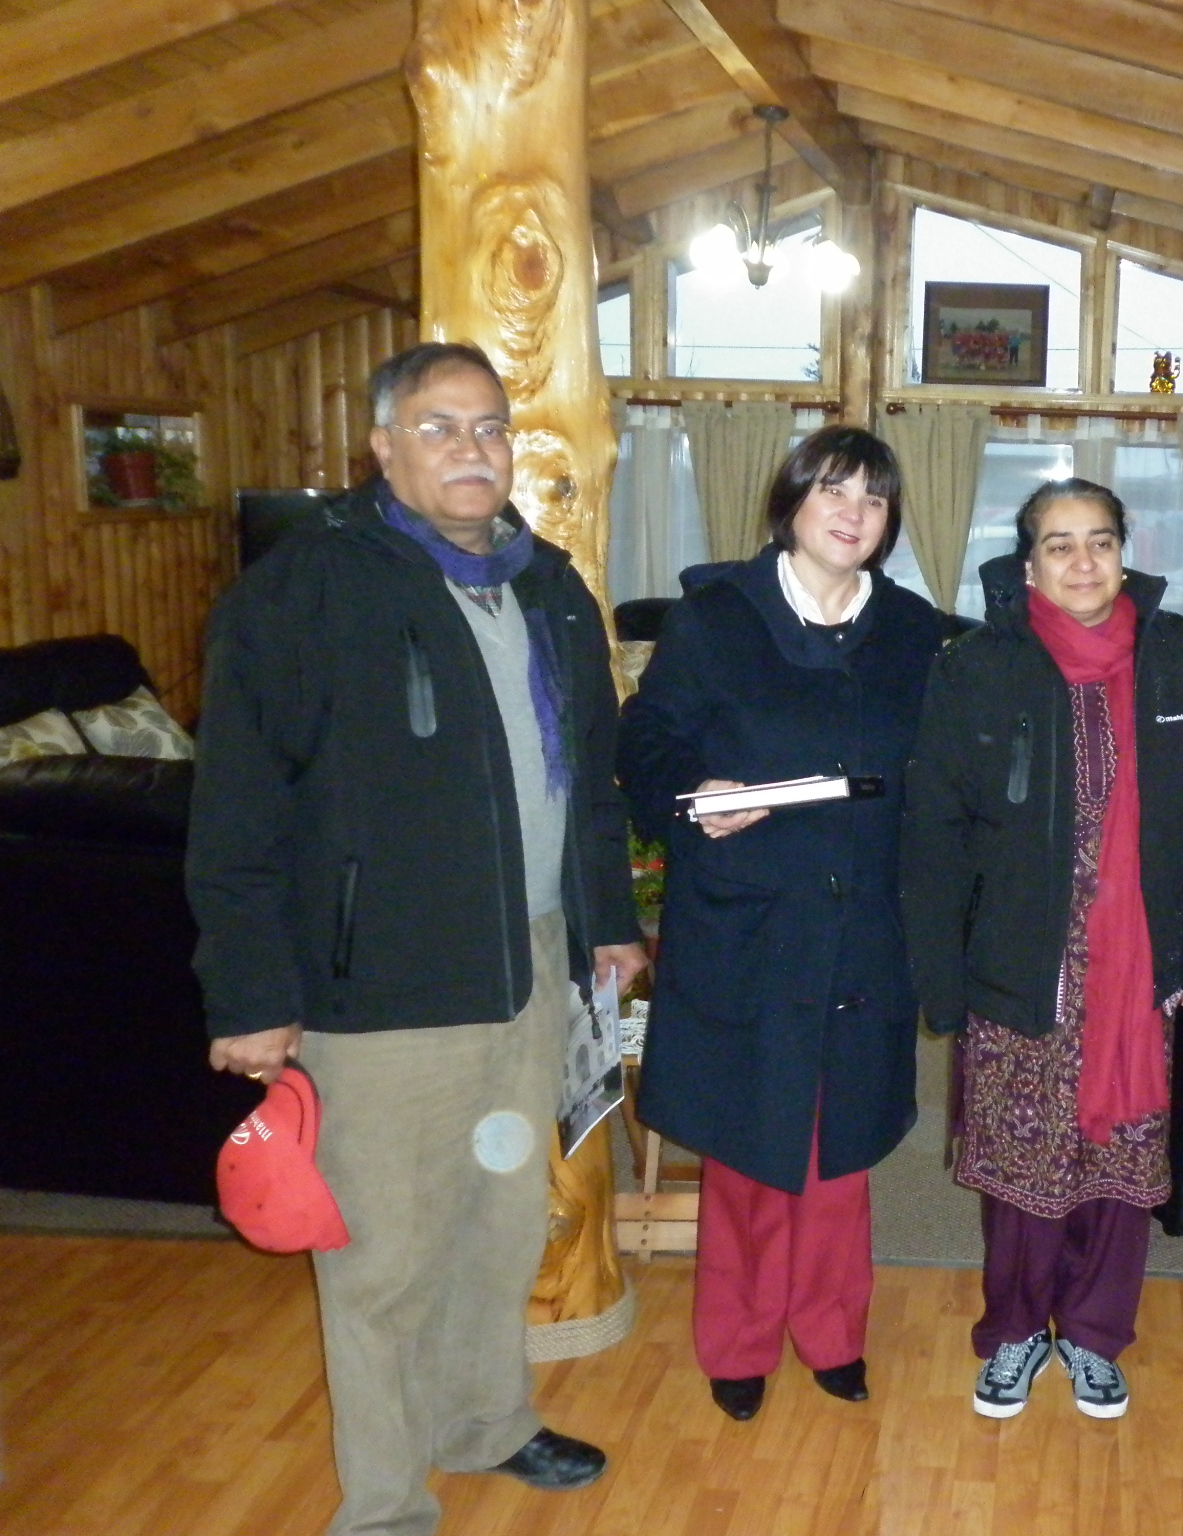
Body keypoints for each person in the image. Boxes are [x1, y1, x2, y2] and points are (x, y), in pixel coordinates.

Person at [188, 341, 647, 1536]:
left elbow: (586, 779)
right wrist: (250, 994)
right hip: (380, 994)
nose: (470, 450)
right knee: (383, 1261)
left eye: (488, 427)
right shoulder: (303, 591)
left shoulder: (547, 584)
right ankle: (386, 1505)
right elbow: (235, 811)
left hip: (529, 965)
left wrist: (606, 923)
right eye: (438, 428)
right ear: (383, 446)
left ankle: (483, 1422)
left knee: (501, 1223)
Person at [616, 426, 946, 1423]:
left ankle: (833, 1331)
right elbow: (646, 744)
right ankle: (739, 1340)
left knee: (840, 1147)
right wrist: (693, 794)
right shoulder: (716, 619)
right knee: (750, 1145)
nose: (853, 513)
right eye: (833, 490)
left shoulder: (914, 631)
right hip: (747, 924)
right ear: (790, 501)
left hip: (865, 928)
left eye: (874, 499)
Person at [902, 480, 1183, 1420]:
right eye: (1060, 545)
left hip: (1138, 969)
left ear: (1125, 554)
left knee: (1118, 1164)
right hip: (1020, 968)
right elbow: (934, 833)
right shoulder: (979, 667)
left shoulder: (1178, 663)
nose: (1083, 562)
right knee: (1022, 1169)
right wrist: (941, 976)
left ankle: (1095, 1336)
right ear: (1028, 566)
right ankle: (1015, 1330)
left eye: (1100, 541)